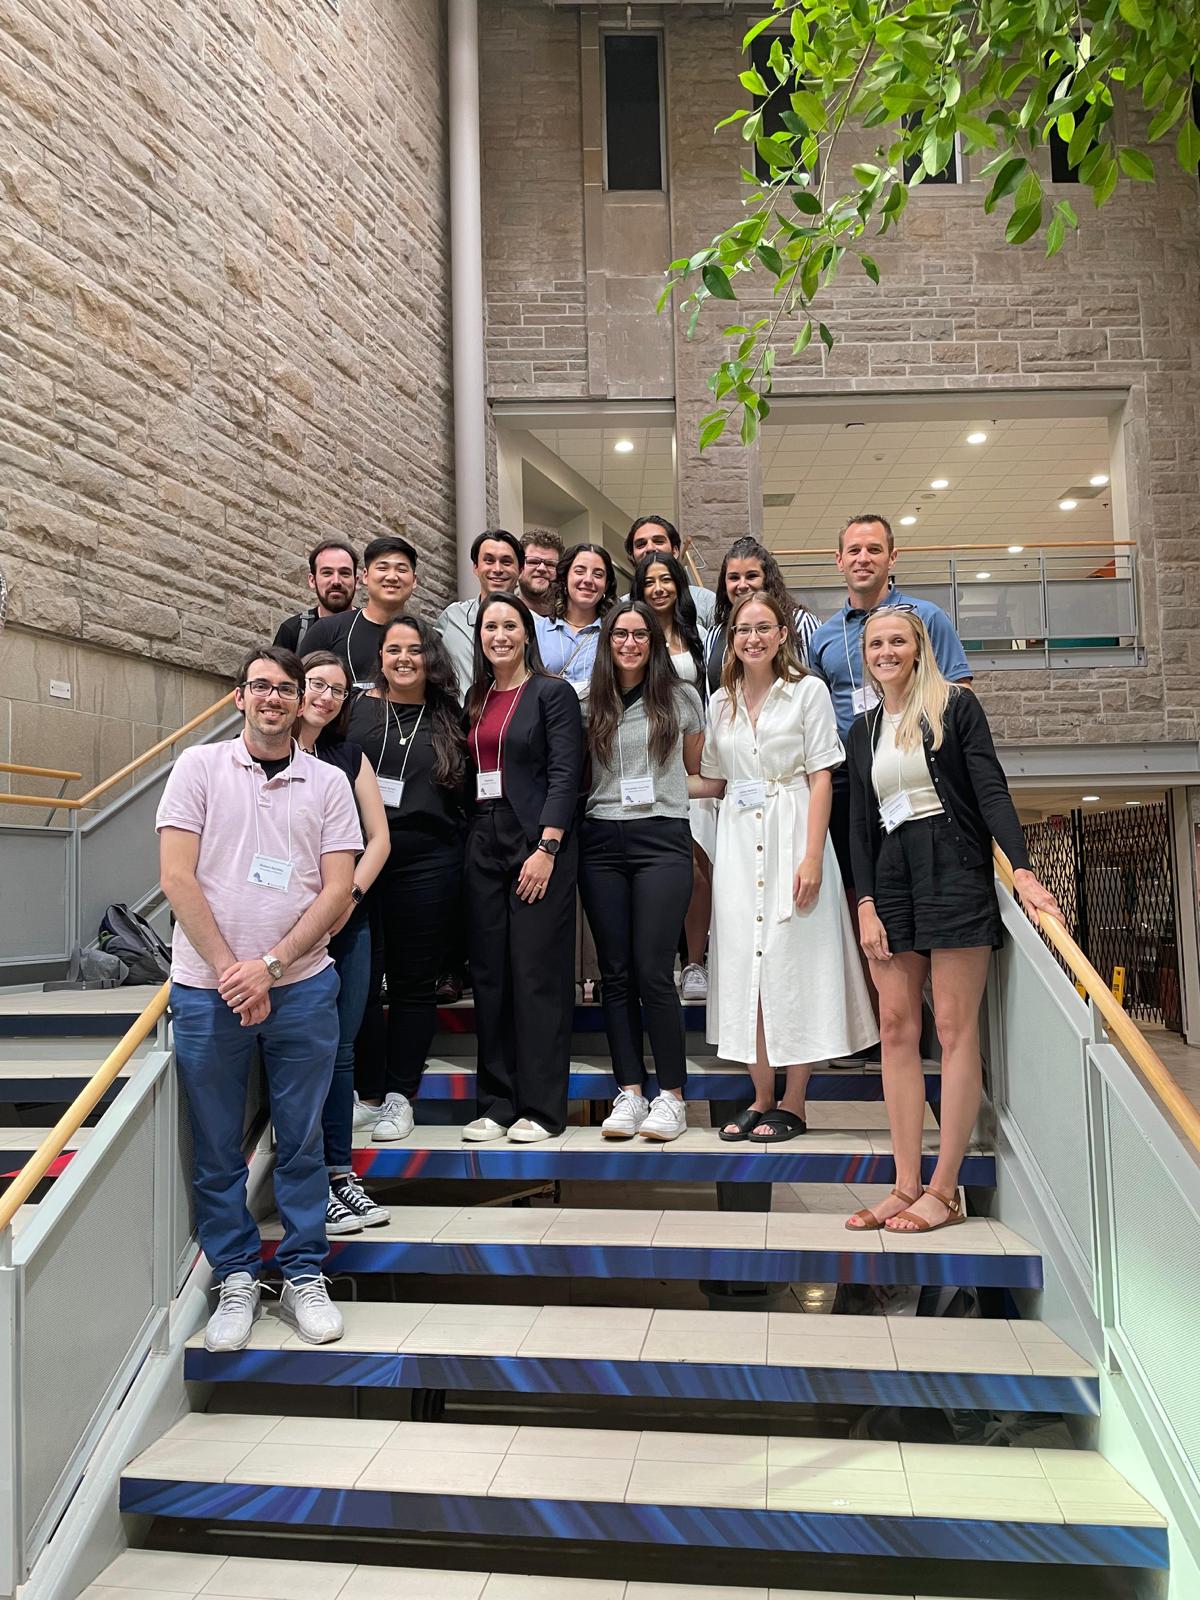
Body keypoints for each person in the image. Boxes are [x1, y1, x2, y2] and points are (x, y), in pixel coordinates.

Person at [157, 646, 362, 1351]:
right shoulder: (198, 768)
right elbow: (177, 878)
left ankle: (305, 1272)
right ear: (238, 697)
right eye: (261, 688)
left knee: (302, 1141)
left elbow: (338, 888)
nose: (274, 699)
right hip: (209, 991)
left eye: (286, 689)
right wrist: (229, 970)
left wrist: (270, 967)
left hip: (302, 986)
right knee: (217, 1146)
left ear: (302, 700)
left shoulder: (329, 783)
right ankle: (237, 1276)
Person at [844, 609, 1059, 1232]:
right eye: (876, 643)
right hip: (891, 874)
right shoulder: (863, 731)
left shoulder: (956, 707)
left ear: (919, 648)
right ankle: (905, 1184)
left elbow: (990, 789)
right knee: (895, 1026)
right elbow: (858, 827)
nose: (887, 651)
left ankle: (946, 1188)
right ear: (866, 654)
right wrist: (864, 904)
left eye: (898, 641)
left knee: (955, 1025)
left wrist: (1021, 869)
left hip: (954, 863)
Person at [691, 594, 878, 1143]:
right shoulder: (720, 702)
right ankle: (760, 1096)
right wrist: (654, 786)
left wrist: (813, 854)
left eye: (763, 628)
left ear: (780, 635)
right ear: (731, 636)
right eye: (743, 629)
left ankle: (794, 1101)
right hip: (737, 837)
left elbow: (822, 775)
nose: (753, 638)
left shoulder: (808, 691)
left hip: (794, 829)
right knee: (744, 964)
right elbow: (713, 778)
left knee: (793, 962)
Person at [462, 593, 584, 1143]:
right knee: (490, 975)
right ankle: (496, 1102)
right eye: (490, 626)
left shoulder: (551, 694)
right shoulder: (477, 697)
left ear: (527, 634)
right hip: (483, 840)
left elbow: (566, 775)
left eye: (510, 625)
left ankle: (541, 1109)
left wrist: (548, 847)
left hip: (537, 842)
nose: (500, 635)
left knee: (535, 977)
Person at [581, 604, 703, 1142]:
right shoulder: (588, 703)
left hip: (662, 837)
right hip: (601, 839)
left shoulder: (681, 698)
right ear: (607, 642)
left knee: (654, 971)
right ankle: (629, 1091)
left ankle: (671, 1096)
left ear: (654, 642)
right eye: (619, 634)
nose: (629, 642)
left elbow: (695, 768)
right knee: (616, 973)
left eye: (639, 634)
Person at [346, 617, 467, 1141]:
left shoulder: (449, 717)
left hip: (429, 864)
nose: (403, 658)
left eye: (414, 650)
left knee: (414, 986)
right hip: (360, 863)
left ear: (429, 658)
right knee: (364, 984)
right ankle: (367, 1095)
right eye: (393, 649)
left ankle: (400, 1095)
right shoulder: (357, 712)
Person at [808, 513, 971, 892]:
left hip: (916, 767)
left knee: (925, 875)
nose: (863, 558)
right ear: (839, 560)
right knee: (856, 883)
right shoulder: (823, 636)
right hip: (852, 777)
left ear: (892, 558)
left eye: (874, 550)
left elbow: (960, 693)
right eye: (854, 550)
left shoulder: (926, 618)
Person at [294, 652, 392, 1235]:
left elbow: (378, 839)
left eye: (337, 689)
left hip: (346, 922)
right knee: (299, 1055)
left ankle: (339, 1173)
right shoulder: (266, 751)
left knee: (342, 1049)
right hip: (283, 927)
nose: (326, 697)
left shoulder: (348, 756)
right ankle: (310, 1178)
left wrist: (347, 900)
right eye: (316, 686)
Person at [630, 552, 712, 1002]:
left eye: (667, 580)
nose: (659, 588)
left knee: (699, 867)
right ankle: (660, 961)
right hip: (643, 763)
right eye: (650, 581)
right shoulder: (628, 636)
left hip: (691, 753)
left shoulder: (698, 636)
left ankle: (695, 960)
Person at [303, 535, 419, 691]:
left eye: (401, 569)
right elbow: (299, 689)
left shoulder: (427, 639)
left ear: (414, 580)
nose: (392, 577)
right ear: (365, 576)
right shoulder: (326, 630)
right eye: (382, 568)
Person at [705, 536, 819, 694]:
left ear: (767, 580)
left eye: (751, 576)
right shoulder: (713, 635)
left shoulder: (801, 622)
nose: (742, 585)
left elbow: (816, 684)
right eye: (734, 578)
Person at [436, 529, 525, 697]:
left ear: (520, 569)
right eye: (489, 560)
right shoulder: (452, 618)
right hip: (461, 721)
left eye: (506, 562)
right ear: (476, 567)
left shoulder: (537, 625)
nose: (497, 569)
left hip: (516, 719)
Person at [534, 542, 617, 692]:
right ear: (564, 578)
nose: (588, 580)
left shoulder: (615, 634)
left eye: (598, 575)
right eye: (579, 571)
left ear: (606, 585)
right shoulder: (538, 631)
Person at [625, 514, 716, 628]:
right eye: (641, 544)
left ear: (675, 551)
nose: (650, 548)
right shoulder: (622, 606)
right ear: (632, 556)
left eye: (658, 541)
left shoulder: (705, 601)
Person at [274, 541, 359, 655]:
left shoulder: (371, 627)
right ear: (312, 580)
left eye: (344, 573)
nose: (336, 581)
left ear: (356, 581)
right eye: (327, 573)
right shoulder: (293, 631)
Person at [519, 529, 564, 618]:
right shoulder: (504, 611)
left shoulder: (572, 614)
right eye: (533, 562)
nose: (542, 568)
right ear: (518, 566)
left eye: (550, 564)